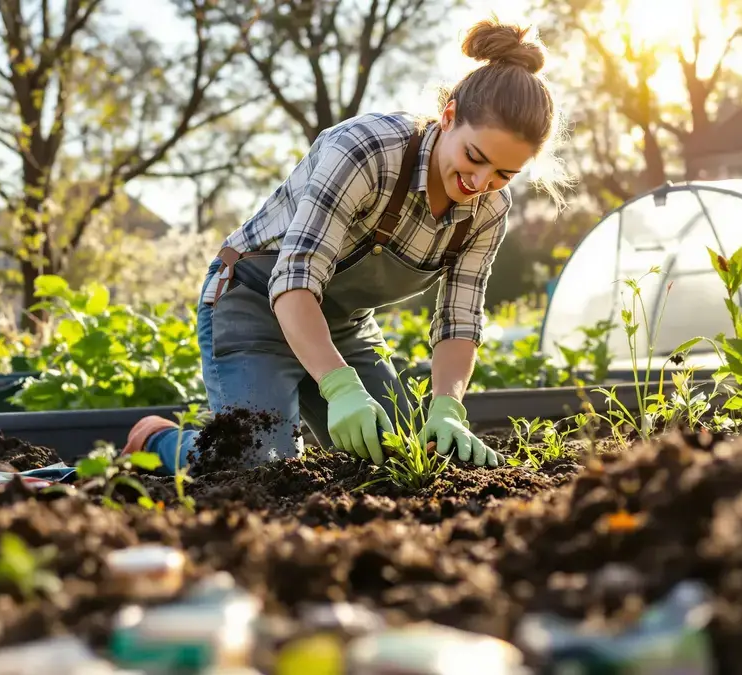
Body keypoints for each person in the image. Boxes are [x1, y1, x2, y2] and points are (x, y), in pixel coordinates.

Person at [122, 17, 569, 474]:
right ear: (450, 117)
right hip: (253, 303)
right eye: (475, 157)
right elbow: (295, 279)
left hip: (345, 326)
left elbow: (459, 318)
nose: (480, 182)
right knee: (259, 462)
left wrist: (447, 407)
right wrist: (339, 386)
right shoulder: (367, 151)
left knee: (403, 459)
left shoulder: (489, 208)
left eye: (503, 174)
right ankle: (158, 441)